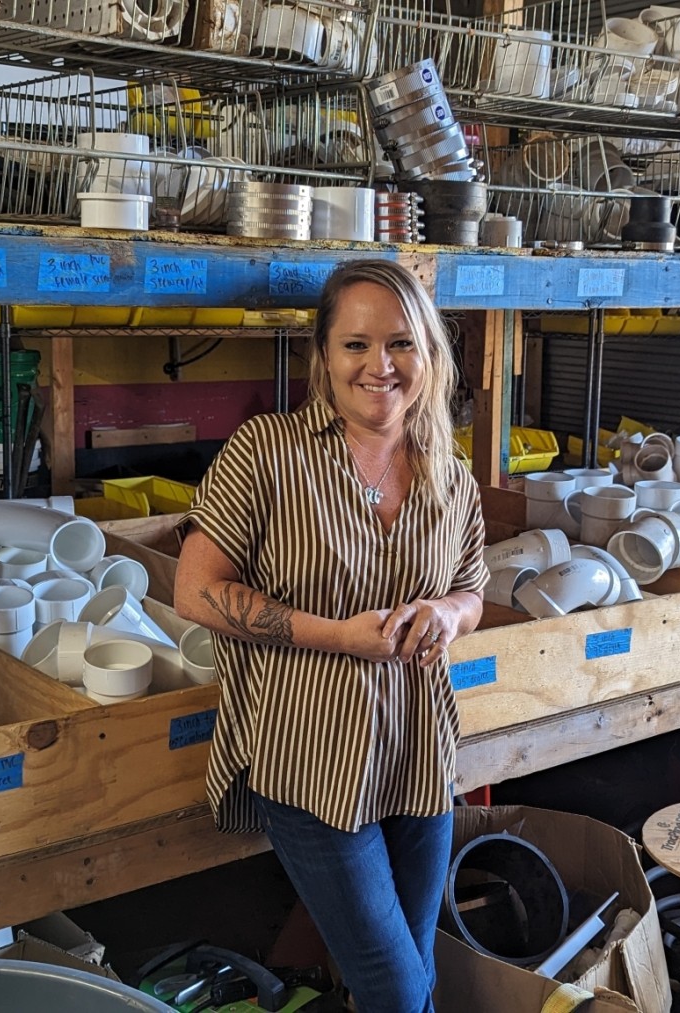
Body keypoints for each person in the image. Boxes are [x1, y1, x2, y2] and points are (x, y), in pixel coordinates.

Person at [174, 259, 488, 1013]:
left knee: (413, 970)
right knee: (398, 988)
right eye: (356, 345)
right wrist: (337, 636)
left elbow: (473, 592)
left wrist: (448, 613)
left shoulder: (451, 472)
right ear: (323, 357)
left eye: (401, 344)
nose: (379, 365)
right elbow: (195, 589)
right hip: (311, 758)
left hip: (417, 750)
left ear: (430, 356)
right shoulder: (268, 453)